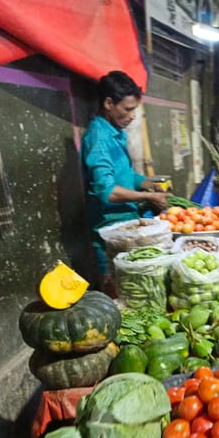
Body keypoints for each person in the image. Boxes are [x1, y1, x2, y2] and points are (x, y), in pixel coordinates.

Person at [81, 70, 169, 285]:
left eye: (135, 110)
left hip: (126, 227)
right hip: (110, 233)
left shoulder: (115, 131)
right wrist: (146, 197)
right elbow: (107, 192)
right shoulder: (99, 138)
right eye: (128, 109)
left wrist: (147, 183)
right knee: (119, 291)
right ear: (109, 103)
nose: (132, 116)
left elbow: (125, 174)